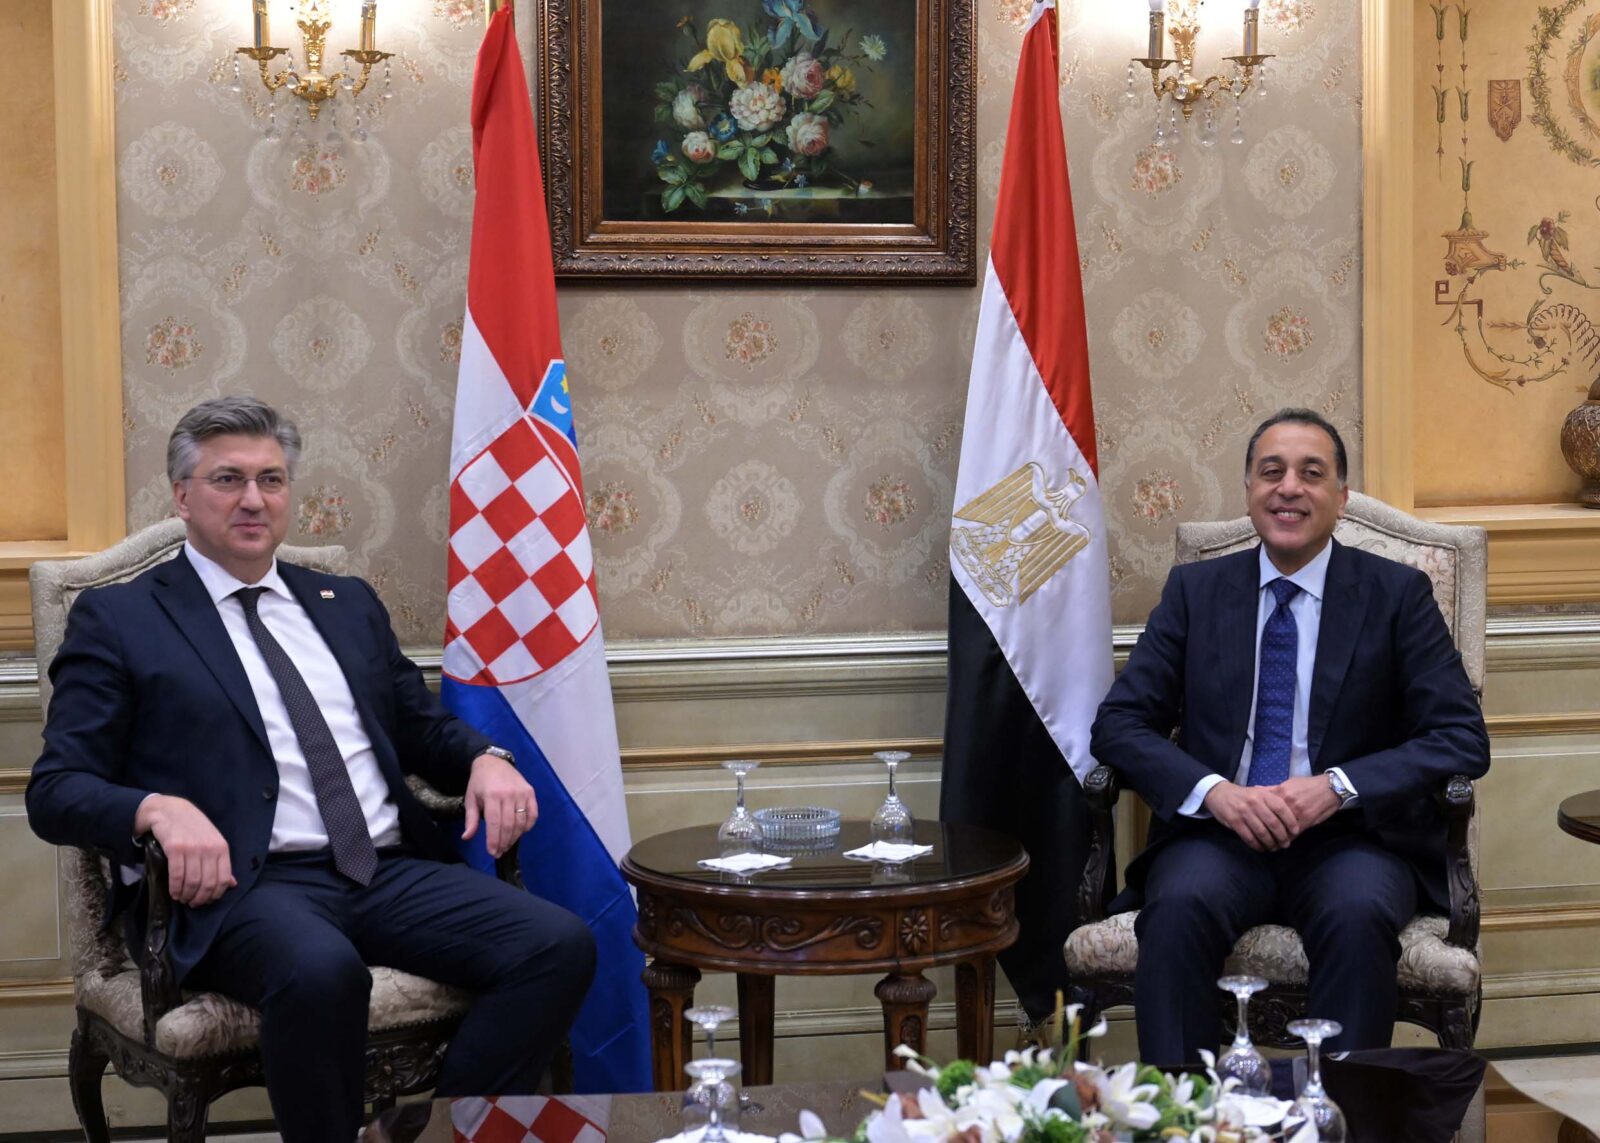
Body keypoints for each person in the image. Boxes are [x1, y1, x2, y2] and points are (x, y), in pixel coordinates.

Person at [27, 397, 596, 1143]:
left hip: (383, 869)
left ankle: (432, 1136)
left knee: (557, 944)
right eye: (228, 479)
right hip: (243, 888)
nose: (253, 499)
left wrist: (486, 759)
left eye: (271, 479)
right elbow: (57, 789)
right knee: (322, 970)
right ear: (183, 496)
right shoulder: (121, 618)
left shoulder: (344, 603)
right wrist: (157, 808)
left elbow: (419, 729)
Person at [1089, 408, 1490, 1065]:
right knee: (1179, 906)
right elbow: (1119, 723)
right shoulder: (1196, 591)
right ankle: (1184, 1109)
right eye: (1271, 472)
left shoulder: (1396, 594)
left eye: (1311, 473)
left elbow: (1461, 736)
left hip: (1352, 841)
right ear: (1249, 489)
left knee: (1357, 915)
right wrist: (1215, 792)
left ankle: (1343, 1111)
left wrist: (1336, 787)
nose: (1289, 488)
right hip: (1219, 836)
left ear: (1342, 497)